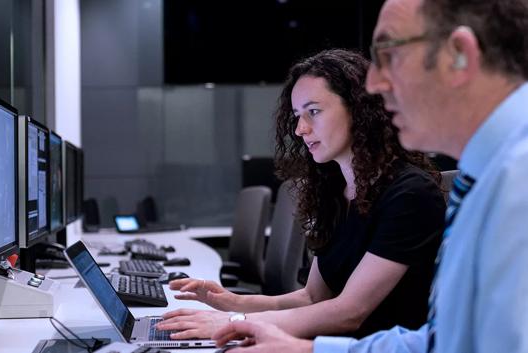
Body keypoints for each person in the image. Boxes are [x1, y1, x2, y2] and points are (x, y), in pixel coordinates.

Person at [212, 0, 528, 352]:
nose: (374, 84)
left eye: (389, 56)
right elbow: (446, 341)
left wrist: (237, 322)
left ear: (459, 55)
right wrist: (305, 348)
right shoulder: (486, 176)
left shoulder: (516, 180)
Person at [157, 49, 445, 340]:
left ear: (359, 109)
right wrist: (230, 302)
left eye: (314, 112)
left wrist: (234, 321)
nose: (300, 129)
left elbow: (350, 313)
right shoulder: (333, 192)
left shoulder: (410, 194)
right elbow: (312, 298)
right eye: (297, 116)